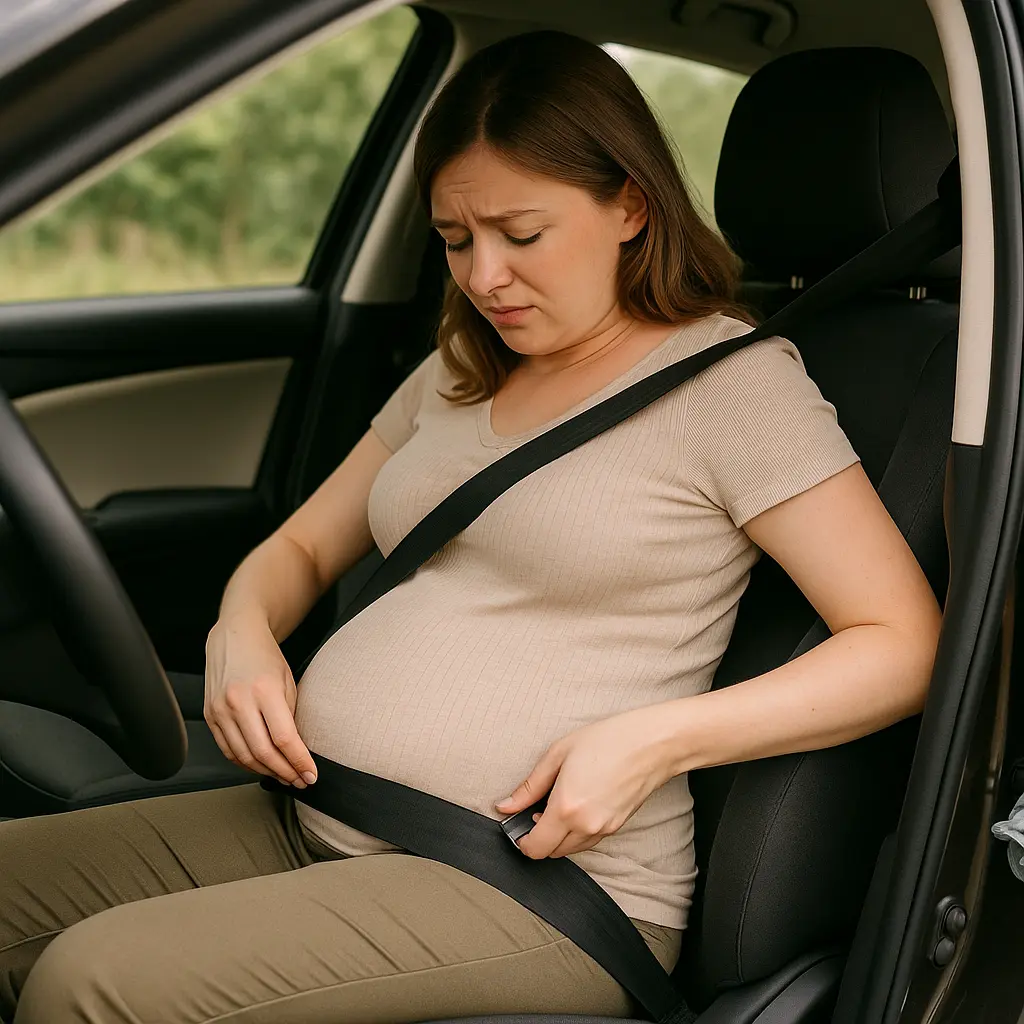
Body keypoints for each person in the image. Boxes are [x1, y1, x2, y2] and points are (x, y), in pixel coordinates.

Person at [0, 28, 942, 1024]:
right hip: (320, 809)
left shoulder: (733, 386)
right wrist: (242, 632)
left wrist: (656, 741)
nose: (484, 276)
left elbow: (901, 643)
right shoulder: (460, 364)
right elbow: (303, 547)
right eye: (455, 240)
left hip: (534, 883)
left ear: (628, 203)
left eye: (520, 235)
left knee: (91, 981)